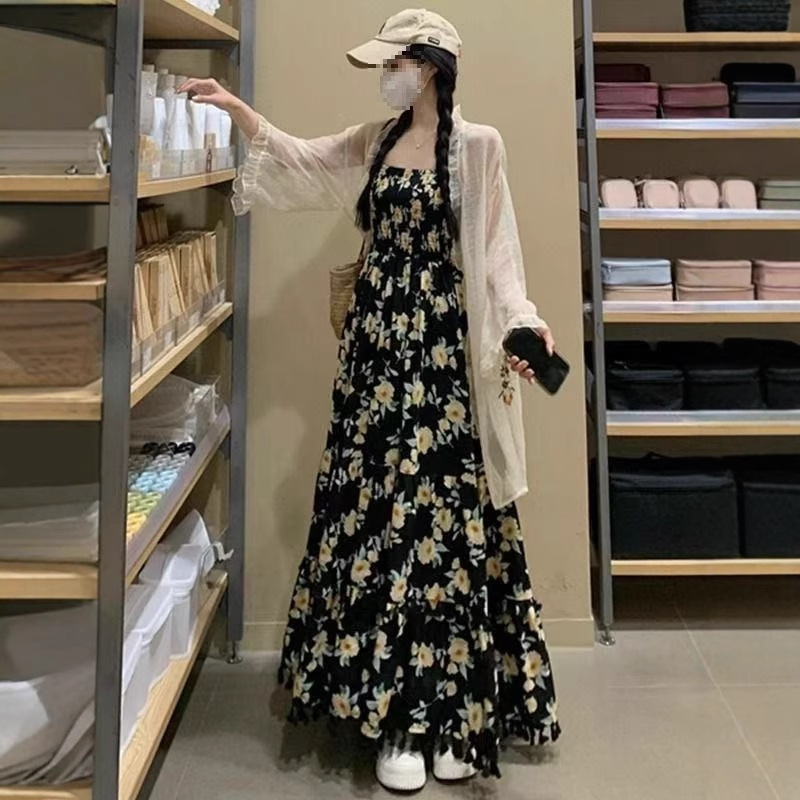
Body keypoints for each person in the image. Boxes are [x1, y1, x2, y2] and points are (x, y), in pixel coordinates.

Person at [181, 7, 560, 792]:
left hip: (446, 357)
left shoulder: (479, 146)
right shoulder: (373, 141)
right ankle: (396, 718)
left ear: (429, 66)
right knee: (382, 515)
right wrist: (239, 109)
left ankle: (452, 713)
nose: (386, 76)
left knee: (448, 523)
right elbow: (299, 159)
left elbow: (499, 256)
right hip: (375, 358)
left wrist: (523, 324)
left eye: (395, 63)